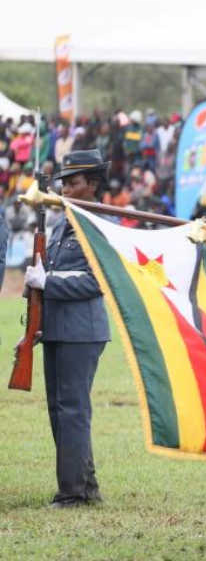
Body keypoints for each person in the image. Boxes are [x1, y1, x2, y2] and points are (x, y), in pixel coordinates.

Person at [24, 150, 112, 507]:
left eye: (73, 183)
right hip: (58, 328)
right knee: (60, 410)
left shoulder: (100, 222)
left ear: (92, 184)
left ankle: (73, 493)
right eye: (64, 184)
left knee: (73, 409)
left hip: (82, 329)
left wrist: (50, 283)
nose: (66, 190)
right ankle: (84, 486)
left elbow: (98, 281)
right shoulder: (64, 223)